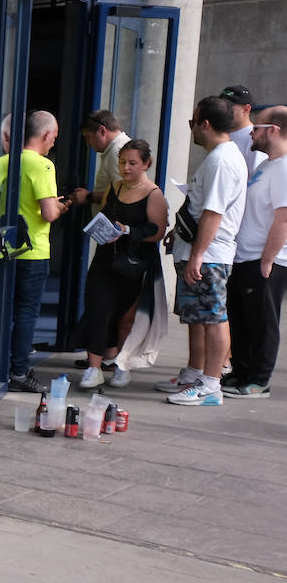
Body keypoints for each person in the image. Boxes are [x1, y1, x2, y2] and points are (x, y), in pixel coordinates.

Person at [158, 95, 247, 406]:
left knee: (213, 318)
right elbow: (199, 208)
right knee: (199, 318)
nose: (191, 128)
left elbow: (213, 213)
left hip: (210, 256)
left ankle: (210, 385)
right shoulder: (217, 157)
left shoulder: (223, 160)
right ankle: (197, 374)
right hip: (201, 251)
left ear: (205, 124)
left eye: (192, 122)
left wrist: (197, 254)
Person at [0, 110, 71, 392]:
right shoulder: (43, 166)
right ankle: (18, 370)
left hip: (0, 249)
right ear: (45, 136)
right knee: (26, 312)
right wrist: (63, 205)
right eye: (54, 138)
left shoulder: (0, 163)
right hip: (32, 251)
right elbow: (48, 212)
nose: (53, 143)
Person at [70, 140, 168, 389]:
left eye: (132, 163)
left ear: (146, 163)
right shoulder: (114, 187)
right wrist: (102, 229)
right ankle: (94, 368)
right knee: (97, 309)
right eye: (122, 162)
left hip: (135, 262)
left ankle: (122, 364)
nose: (126, 168)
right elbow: (104, 216)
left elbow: (157, 231)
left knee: (126, 317)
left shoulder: (153, 194)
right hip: (106, 256)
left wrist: (127, 231)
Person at [223, 106, 287, 398]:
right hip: (245, 257)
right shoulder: (266, 166)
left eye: (257, 127)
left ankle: (259, 380)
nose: (252, 131)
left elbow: (283, 218)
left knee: (262, 322)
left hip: (264, 261)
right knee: (242, 319)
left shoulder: (284, 168)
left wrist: (268, 259)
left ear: (273, 130)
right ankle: (241, 373)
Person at [73, 110, 132, 205]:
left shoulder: (117, 152)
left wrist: (88, 197)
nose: (88, 144)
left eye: (89, 137)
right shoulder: (121, 147)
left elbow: (126, 194)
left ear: (102, 130)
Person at [221, 85, 260, 172]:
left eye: (228, 107)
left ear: (246, 109)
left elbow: (255, 179)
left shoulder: (256, 138)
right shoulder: (220, 133)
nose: (223, 111)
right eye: (221, 106)